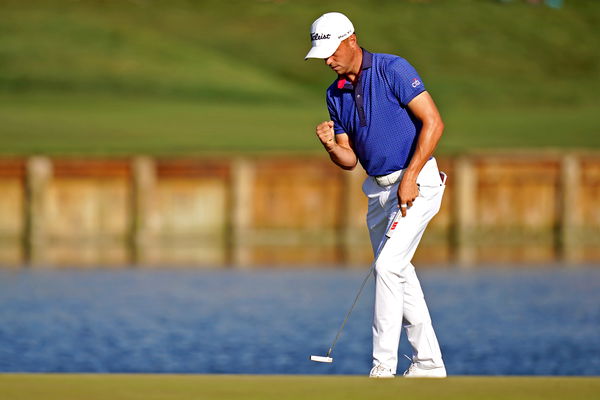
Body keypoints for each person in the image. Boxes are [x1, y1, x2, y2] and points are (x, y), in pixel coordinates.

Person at [305, 12, 447, 378]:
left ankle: (381, 368)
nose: (327, 60)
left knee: (386, 268)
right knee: (400, 273)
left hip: (417, 183)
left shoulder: (392, 69)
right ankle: (428, 364)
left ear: (351, 39)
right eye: (321, 54)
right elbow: (349, 158)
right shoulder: (334, 93)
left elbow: (433, 122)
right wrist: (328, 147)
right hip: (377, 193)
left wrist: (411, 176)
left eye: (331, 50)